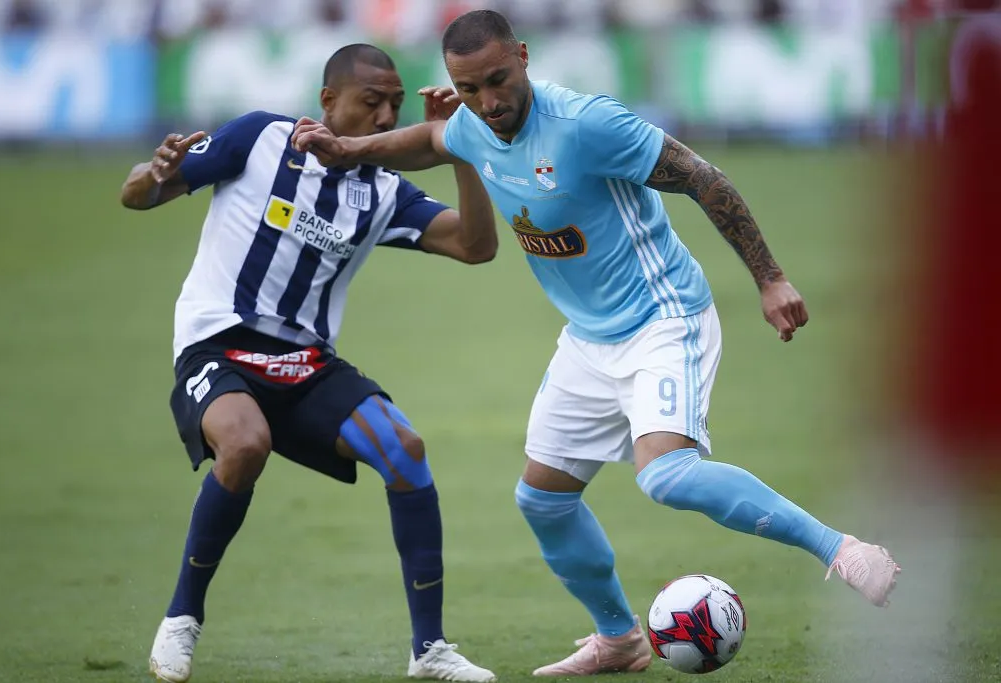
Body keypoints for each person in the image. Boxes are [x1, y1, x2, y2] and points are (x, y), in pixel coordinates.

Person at [291, 10, 902, 677]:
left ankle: (841, 549)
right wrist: (347, 150)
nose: (488, 102)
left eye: (498, 80)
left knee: (666, 474)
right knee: (543, 499)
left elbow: (704, 176)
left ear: (522, 57)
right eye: (469, 89)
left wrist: (771, 278)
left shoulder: (586, 125)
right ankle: (619, 639)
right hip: (588, 339)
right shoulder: (475, 124)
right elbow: (434, 140)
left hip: (661, 319)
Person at [120, 43, 498, 683]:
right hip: (219, 344)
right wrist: (153, 171)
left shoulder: (383, 191)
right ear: (328, 101)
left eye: (395, 107)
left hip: (304, 364)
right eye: (371, 102)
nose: (385, 118)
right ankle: (182, 619)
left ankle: (429, 651)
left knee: (404, 450)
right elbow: (139, 196)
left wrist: (462, 152)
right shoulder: (259, 138)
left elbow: (476, 246)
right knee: (244, 444)